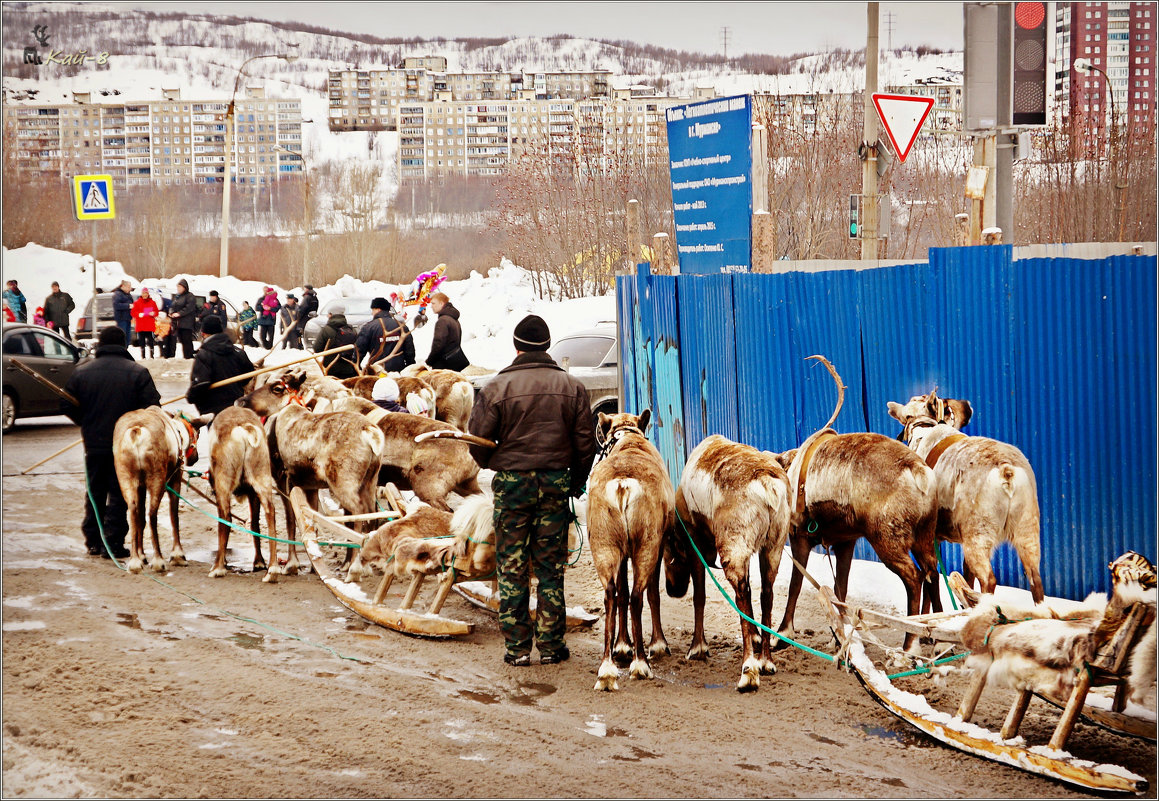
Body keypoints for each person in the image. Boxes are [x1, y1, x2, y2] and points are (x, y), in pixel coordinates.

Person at [466, 314, 597, 666]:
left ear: (516, 345)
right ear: (547, 345)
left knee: (512, 566)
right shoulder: (573, 388)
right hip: (555, 485)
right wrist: (575, 482)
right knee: (551, 569)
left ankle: (518, 649)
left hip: (512, 486)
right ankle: (553, 646)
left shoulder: (496, 388)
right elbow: (586, 444)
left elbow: (477, 443)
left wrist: (499, 461)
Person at [62, 325, 161, 559]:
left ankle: (94, 541)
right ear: (123, 344)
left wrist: (86, 421)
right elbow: (153, 407)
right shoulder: (137, 372)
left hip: (94, 442)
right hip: (128, 446)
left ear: (101, 345)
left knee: (95, 491)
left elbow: (65, 403)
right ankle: (113, 543)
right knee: (120, 492)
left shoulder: (82, 372)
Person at [186, 314, 254, 416]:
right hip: (235, 405)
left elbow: (201, 383)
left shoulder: (204, 355)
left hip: (213, 410)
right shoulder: (238, 352)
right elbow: (249, 373)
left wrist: (191, 396)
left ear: (203, 333)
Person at [355, 296, 414, 373]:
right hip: (398, 372)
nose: (372, 313)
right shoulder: (401, 326)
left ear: (378, 309)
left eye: (373, 310)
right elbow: (409, 351)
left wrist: (357, 368)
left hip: (378, 371)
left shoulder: (368, 327)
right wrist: (410, 366)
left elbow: (359, 351)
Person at [425, 292, 470, 371]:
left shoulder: (443, 321)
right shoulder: (453, 318)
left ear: (441, 303)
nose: (431, 306)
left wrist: (429, 361)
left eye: (433, 303)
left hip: (443, 365)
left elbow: (438, 343)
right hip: (453, 363)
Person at [312, 304, 360, 379]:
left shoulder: (326, 329)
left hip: (330, 369)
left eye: (328, 314)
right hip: (348, 369)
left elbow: (317, 349)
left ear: (331, 315)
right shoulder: (351, 329)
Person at [168, 278, 198, 359]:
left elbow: (189, 308)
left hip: (187, 323)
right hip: (178, 324)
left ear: (184, 287)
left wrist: (179, 313)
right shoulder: (178, 297)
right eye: (177, 287)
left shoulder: (190, 296)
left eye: (180, 287)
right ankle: (186, 356)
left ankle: (189, 356)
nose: (178, 289)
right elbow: (173, 306)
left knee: (187, 341)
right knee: (182, 341)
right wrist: (171, 312)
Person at [130, 287, 159, 359]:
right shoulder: (137, 303)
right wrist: (139, 314)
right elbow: (133, 313)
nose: (145, 295)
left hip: (149, 326)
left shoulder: (152, 302)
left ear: (148, 294)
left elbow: (157, 312)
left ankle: (152, 355)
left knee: (151, 341)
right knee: (142, 342)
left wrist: (153, 313)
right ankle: (143, 356)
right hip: (141, 326)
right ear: (141, 294)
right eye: (143, 293)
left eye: (146, 293)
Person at [112, 280, 134, 346]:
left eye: (130, 287)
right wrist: (128, 306)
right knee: (122, 336)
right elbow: (116, 305)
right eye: (128, 287)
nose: (130, 288)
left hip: (128, 319)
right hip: (121, 319)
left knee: (128, 337)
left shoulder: (128, 294)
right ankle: (121, 350)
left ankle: (125, 349)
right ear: (123, 286)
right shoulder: (118, 294)